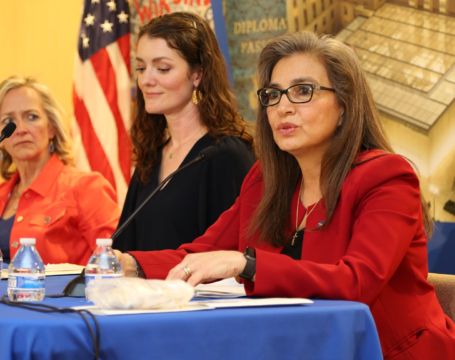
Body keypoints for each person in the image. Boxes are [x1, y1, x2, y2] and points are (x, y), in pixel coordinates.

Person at [118, 32, 455, 358]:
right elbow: (200, 253)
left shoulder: (386, 177)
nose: (283, 107)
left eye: (303, 91)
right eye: (273, 95)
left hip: (388, 353)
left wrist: (247, 264)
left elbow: (357, 283)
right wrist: (128, 264)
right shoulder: (265, 179)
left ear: (344, 105)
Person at [113, 12, 255, 253]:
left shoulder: (226, 155)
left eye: (163, 68)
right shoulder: (150, 159)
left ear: (197, 74)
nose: (146, 80)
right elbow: (123, 251)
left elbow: (235, 257)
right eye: (140, 67)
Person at [0, 76, 120, 265]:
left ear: (51, 128)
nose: (20, 129)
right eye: (8, 121)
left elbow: (116, 263)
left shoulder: (86, 188)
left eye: (32, 117)